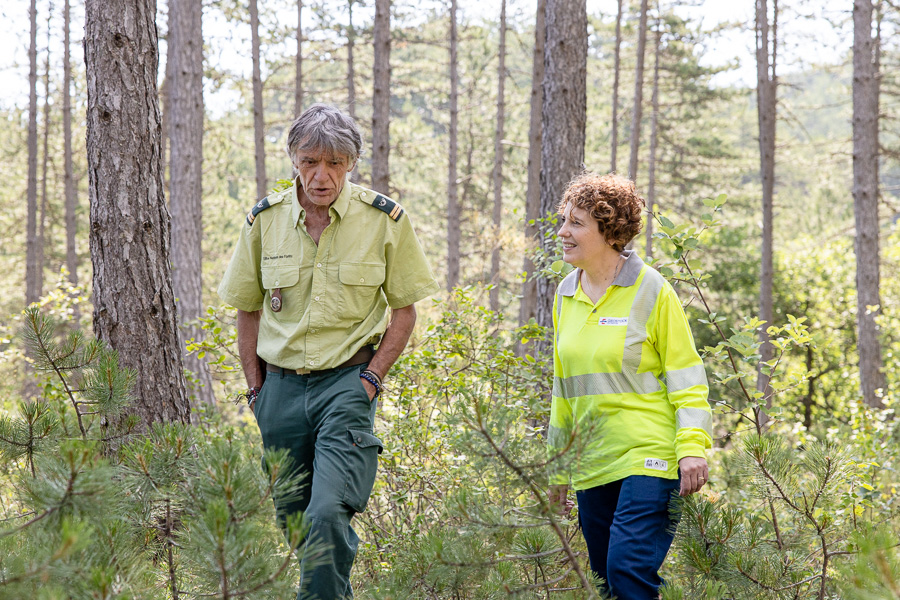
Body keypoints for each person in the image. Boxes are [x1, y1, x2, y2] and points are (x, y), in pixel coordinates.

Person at [218, 104, 440, 600]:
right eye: (311, 161)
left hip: (346, 385)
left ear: (352, 164)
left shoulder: (384, 219)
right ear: (294, 160)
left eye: (335, 163)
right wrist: (256, 390)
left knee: (327, 512)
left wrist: (371, 379)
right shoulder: (264, 220)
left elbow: (404, 311)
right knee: (296, 519)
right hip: (278, 390)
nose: (322, 176)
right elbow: (247, 310)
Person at [546, 172, 712, 599]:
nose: (562, 231)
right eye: (564, 220)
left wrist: (692, 446)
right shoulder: (566, 293)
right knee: (607, 583)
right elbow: (565, 390)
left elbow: (687, 375)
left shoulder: (652, 289)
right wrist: (558, 467)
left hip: (649, 456)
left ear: (610, 230)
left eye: (576, 223)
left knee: (627, 569)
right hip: (592, 463)